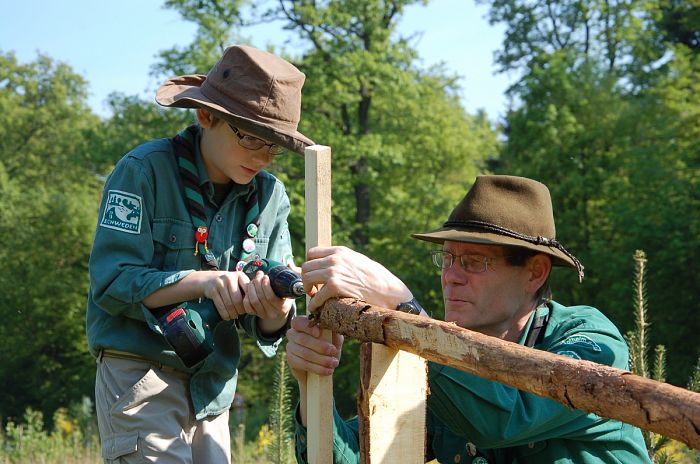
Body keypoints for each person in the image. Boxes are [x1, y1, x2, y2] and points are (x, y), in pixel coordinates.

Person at [287, 175, 652, 463]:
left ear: (535, 273)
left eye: (474, 262)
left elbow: (502, 419)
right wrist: (312, 380)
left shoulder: (591, 341)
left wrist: (405, 309)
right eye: (447, 259)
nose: (452, 276)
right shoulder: (451, 366)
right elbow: (358, 457)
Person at [86, 44, 313, 463]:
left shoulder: (270, 197)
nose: (263, 158)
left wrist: (273, 305)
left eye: (274, 146)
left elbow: (272, 323)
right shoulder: (144, 172)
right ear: (206, 116)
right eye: (251, 138)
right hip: (141, 374)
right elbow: (112, 281)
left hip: (214, 388)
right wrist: (205, 283)